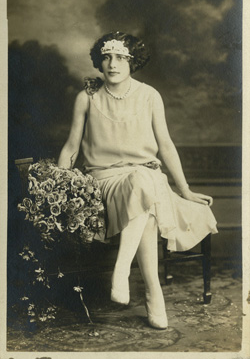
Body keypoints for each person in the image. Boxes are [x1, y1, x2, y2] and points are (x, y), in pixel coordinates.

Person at [58, 31, 218, 329]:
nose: (112, 64)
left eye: (121, 57)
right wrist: (62, 185)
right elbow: (71, 147)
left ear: (133, 62)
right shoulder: (87, 97)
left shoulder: (149, 96)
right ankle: (152, 292)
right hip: (104, 182)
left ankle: (123, 271)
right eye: (106, 57)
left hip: (145, 182)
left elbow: (166, 145)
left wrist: (184, 190)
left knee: (146, 183)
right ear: (99, 61)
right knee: (149, 190)